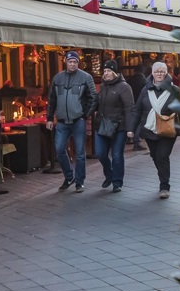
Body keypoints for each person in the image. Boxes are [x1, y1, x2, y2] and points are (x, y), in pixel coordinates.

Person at [46, 51, 97, 192]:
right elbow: (52, 100)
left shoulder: (86, 77)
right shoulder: (57, 78)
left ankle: (79, 182)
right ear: (66, 62)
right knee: (59, 148)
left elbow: (93, 98)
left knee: (80, 153)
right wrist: (49, 118)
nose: (73, 64)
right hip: (62, 121)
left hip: (78, 120)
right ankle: (69, 176)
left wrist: (85, 116)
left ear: (78, 62)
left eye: (75, 61)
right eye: (70, 61)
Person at [130, 61, 180, 199]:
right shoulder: (145, 89)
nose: (159, 73)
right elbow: (137, 110)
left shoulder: (174, 90)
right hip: (150, 130)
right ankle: (163, 176)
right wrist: (131, 129)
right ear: (152, 73)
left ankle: (164, 186)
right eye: (157, 71)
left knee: (162, 156)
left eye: (162, 71)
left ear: (166, 72)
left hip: (168, 129)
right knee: (155, 156)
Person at [94, 60, 134, 193]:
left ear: (115, 72)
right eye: (104, 71)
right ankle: (109, 175)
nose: (106, 73)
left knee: (117, 155)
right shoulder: (103, 86)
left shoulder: (124, 87)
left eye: (108, 71)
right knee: (100, 153)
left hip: (119, 127)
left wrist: (130, 128)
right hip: (102, 125)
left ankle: (117, 182)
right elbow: (97, 104)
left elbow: (129, 108)